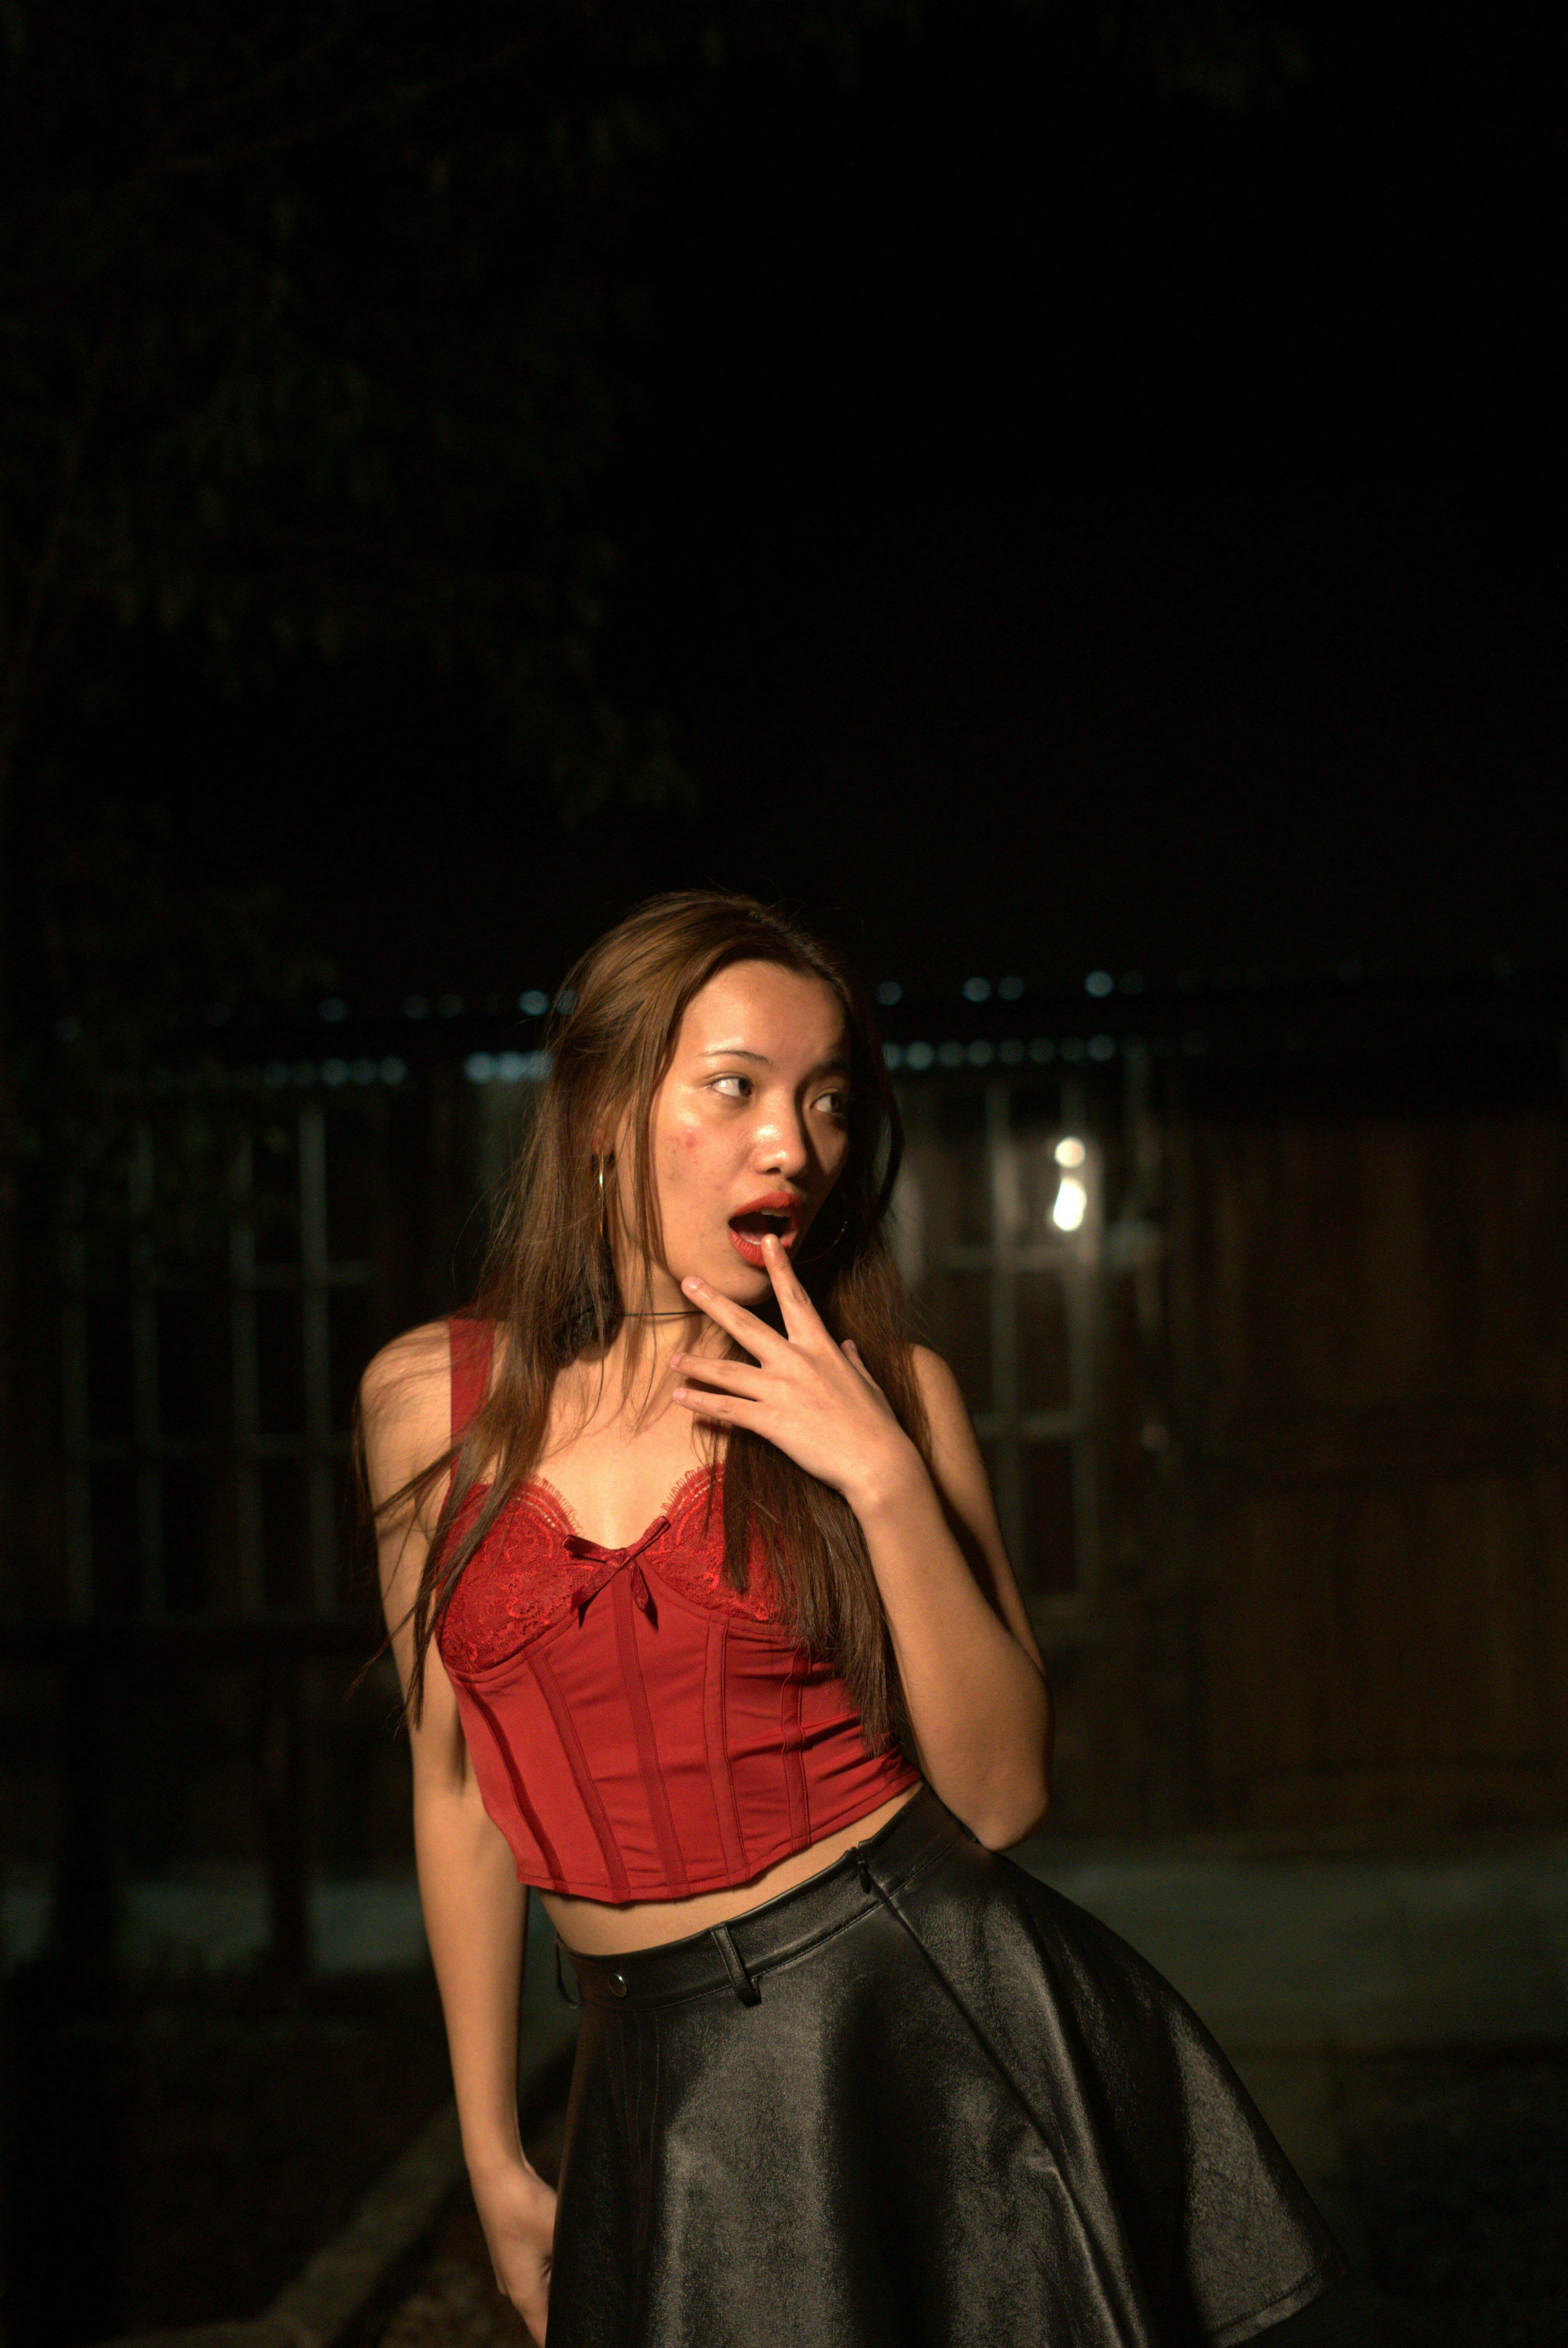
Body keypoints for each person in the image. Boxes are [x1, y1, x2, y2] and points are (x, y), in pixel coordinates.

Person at [357, 888, 1346, 2348]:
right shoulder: (428, 1406)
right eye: (736, 1087)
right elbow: (457, 1790)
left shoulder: (896, 1393)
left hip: (916, 2025)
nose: (794, 1146)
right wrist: (493, 2150)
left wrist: (880, 1473)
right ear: (602, 1113)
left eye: (827, 1100)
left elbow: (1002, 1798)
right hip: (641, 2060)